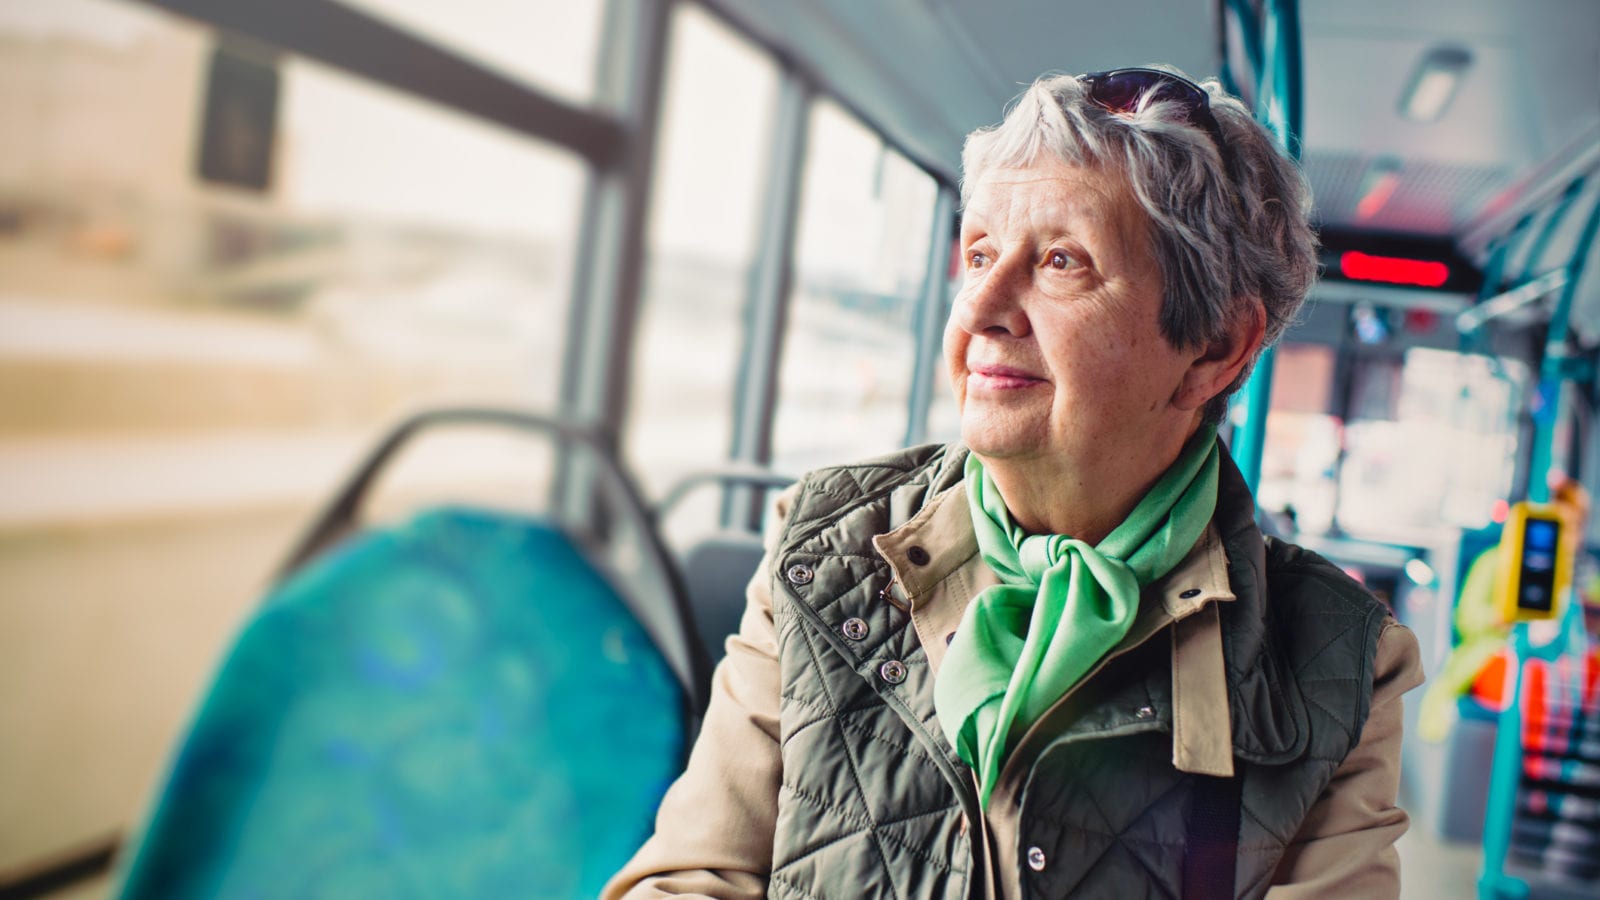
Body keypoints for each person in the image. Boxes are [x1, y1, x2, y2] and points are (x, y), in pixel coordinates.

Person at [605, 67, 1423, 899]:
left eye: (1062, 261)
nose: (983, 306)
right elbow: (693, 876)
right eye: (980, 253)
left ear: (1215, 346)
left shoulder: (1338, 661)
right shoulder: (824, 546)